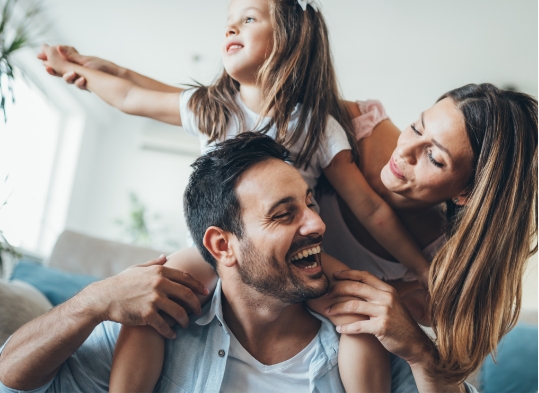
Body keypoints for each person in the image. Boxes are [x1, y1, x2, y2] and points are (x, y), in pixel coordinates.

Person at [37, 0, 432, 391]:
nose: (230, 28)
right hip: (213, 248)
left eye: (247, 19)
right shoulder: (213, 107)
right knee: (154, 305)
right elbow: (128, 96)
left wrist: (423, 269)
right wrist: (78, 70)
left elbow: (369, 207)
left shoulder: (317, 125)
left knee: (357, 311)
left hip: (292, 255)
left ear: (289, 41)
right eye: (229, 21)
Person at [0, 133, 479, 392]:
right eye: (284, 214)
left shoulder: (366, 335)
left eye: (310, 204)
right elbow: (12, 378)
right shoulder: (157, 319)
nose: (316, 224)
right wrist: (92, 301)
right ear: (222, 245)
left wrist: (424, 355)